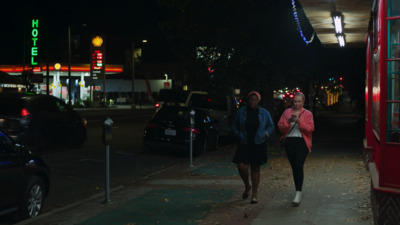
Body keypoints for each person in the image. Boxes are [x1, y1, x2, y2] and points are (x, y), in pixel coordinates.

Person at [232, 91, 275, 204]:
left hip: (258, 143)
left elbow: (271, 126)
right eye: (251, 99)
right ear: (248, 100)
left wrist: (265, 134)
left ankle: (254, 194)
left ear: (258, 101)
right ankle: (247, 185)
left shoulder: (264, 113)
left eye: (255, 100)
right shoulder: (241, 112)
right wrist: (237, 134)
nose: (252, 102)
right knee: (241, 166)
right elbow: (234, 125)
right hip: (244, 143)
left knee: (255, 169)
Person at [277, 92, 314, 206]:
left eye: (299, 102)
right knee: (294, 167)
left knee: (298, 165)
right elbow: (280, 127)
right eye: (295, 101)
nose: (296, 104)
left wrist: (299, 122)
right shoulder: (287, 112)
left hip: (302, 141)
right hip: (289, 140)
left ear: (303, 102)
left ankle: (298, 192)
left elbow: (310, 129)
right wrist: (288, 122)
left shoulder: (307, 113)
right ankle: (297, 189)